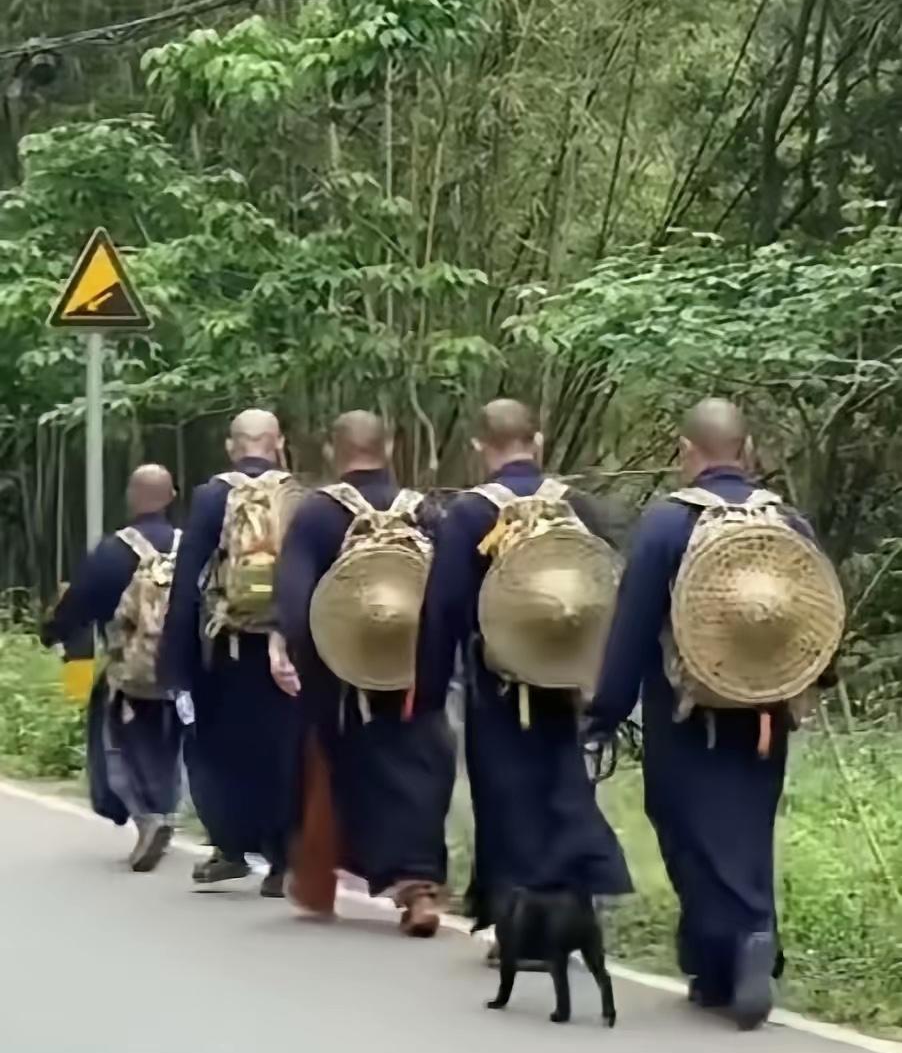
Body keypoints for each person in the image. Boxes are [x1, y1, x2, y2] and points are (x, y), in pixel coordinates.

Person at [584, 397, 829, 1030]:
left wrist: (604, 713)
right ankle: (731, 960)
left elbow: (632, 630)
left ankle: (738, 945)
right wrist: (811, 682)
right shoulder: (788, 523)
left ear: (686, 452)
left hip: (685, 716)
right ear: (745, 451)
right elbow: (818, 615)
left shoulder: (668, 525)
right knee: (746, 826)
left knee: (685, 825)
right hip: (767, 714)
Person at [415, 399, 632, 936]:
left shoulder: (470, 513)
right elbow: (608, 588)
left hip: (497, 681)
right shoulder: (576, 505)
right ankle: (575, 895)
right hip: (567, 673)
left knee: (505, 793)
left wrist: (428, 689)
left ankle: (520, 917)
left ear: (478, 447)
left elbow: (444, 608)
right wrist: (605, 678)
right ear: (537, 441)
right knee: (563, 781)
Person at [273, 411, 455, 936]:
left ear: (334, 451)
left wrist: (291, 649)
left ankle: (346, 876)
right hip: (415, 667)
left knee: (342, 770)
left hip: (342, 676)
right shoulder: (425, 511)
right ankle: (420, 884)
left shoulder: (317, 513)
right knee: (419, 766)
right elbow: (449, 595)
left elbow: (296, 599)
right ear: (390, 447)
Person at [158, 409, 301, 895]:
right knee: (283, 751)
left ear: (230, 446)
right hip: (287, 651)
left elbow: (187, 582)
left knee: (219, 750)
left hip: (225, 648)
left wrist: (176, 663)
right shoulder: (300, 496)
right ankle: (283, 862)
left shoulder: (212, 496)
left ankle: (231, 848)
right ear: (278, 443)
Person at [42, 464, 183, 872]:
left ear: (131, 497)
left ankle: (147, 817)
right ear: (172, 497)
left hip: (130, 672)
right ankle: (169, 811)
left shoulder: (113, 551)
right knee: (173, 744)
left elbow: (78, 606)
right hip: (184, 673)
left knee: (115, 741)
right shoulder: (192, 546)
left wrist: (52, 632)